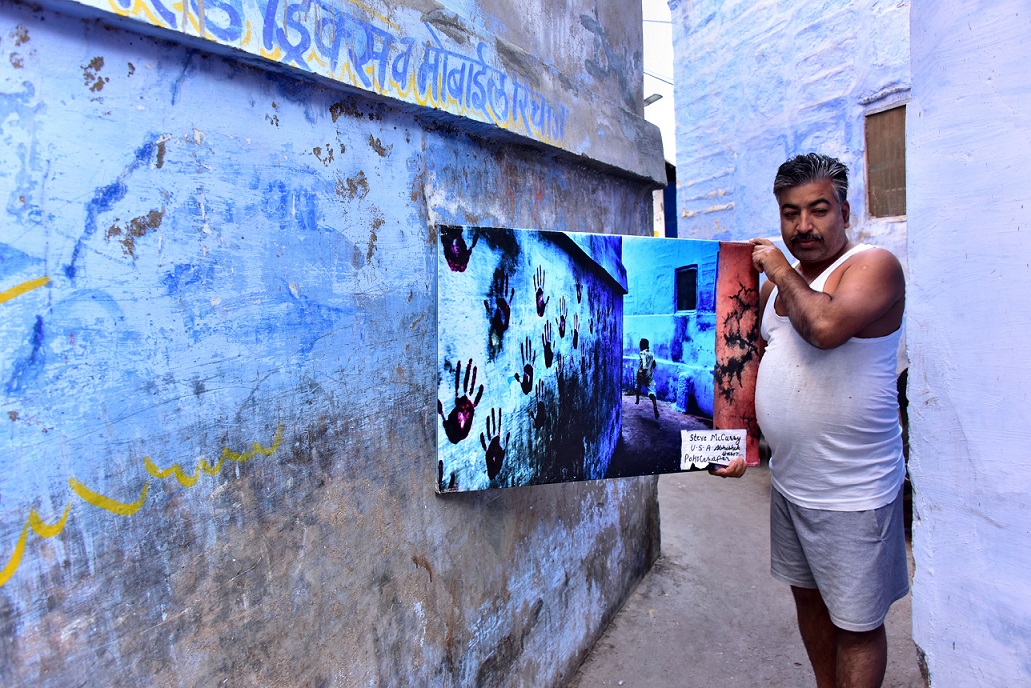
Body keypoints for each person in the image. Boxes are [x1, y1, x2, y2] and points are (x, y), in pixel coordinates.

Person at [747, 152, 908, 688]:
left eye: (818, 209)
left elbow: (823, 326)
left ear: (845, 209)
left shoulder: (872, 266)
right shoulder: (776, 289)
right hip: (793, 486)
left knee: (857, 625)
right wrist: (737, 449)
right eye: (790, 213)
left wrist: (779, 268)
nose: (803, 226)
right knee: (810, 604)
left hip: (854, 495)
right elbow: (752, 372)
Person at [635, 338, 659, 418]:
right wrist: (650, 369)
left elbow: (644, 365)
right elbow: (654, 364)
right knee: (652, 391)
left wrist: (642, 372)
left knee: (637, 385)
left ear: (641, 346)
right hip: (650, 375)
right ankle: (655, 405)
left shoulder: (642, 353)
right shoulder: (651, 354)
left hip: (642, 374)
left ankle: (637, 399)